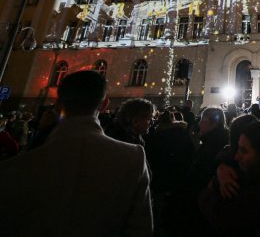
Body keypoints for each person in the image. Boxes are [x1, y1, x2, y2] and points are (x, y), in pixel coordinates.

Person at [0, 70, 153, 236]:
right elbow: (141, 228)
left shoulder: (12, 169)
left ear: (58, 104)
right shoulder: (133, 158)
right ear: (104, 104)